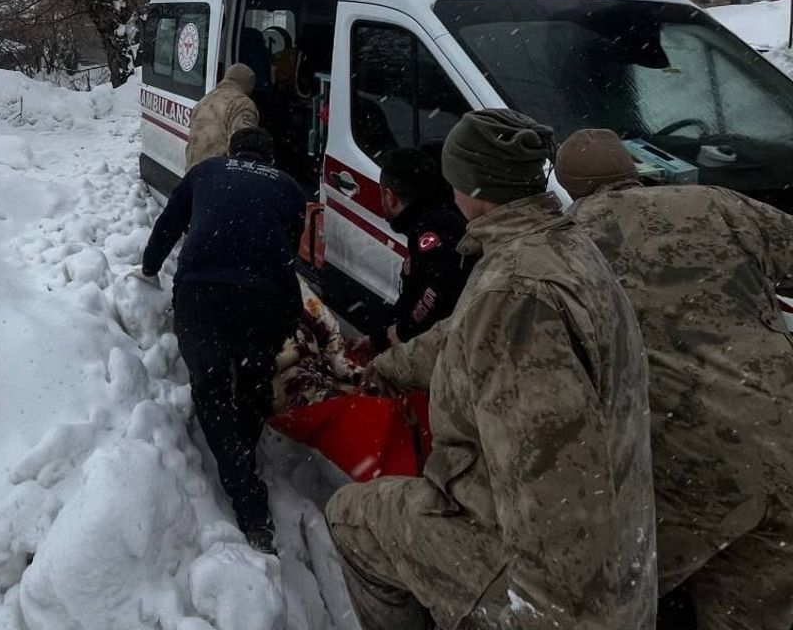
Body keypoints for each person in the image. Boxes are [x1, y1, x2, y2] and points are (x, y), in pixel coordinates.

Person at [326, 110, 657, 630]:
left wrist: (536, 614)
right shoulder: (553, 245)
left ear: (470, 185)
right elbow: (460, 336)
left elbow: (553, 488)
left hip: (557, 592)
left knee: (351, 518)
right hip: (609, 548)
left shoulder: (517, 297)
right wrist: (388, 367)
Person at [555, 128, 793, 630]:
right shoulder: (717, 204)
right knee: (757, 604)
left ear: (569, 186)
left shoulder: (566, 246)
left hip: (688, 470)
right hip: (781, 427)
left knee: (626, 601)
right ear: (632, 169)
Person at [140, 127, 306, 553]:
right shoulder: (289, 188)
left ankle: (248, 499)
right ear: (268, 159)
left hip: (201, 293)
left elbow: (170, 222)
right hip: (265, 299)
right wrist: (287, 318)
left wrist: (149, 265)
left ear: (233, 152)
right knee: (252, 384)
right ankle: (242, 457)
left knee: (211, 391)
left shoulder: (206, 171)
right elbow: (287, 253)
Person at [369, 148, 471, 351]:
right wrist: (379, 338)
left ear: (390, 197)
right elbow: (413, 293)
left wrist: (402, 332)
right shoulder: (439, 215)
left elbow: (439, 291)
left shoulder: (432, 228)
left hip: (449, 351)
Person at [185, 63, 259, 169]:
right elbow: (244, 148)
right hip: (219, 174)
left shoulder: (206, 99)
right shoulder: (243, 104)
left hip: (195, 172)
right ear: (248, 84)